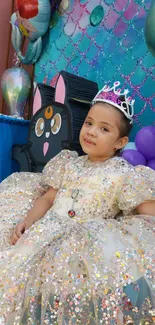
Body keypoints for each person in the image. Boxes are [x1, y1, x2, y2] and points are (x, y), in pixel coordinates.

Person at [0, 81, 155, 325]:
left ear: (120, 142)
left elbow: (146, 212)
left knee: (65, 297)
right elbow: (49, 198)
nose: (91, 132)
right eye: (89, 123)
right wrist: (28, 220)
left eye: (104, 129)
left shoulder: (124, 175)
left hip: (82, 249)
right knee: (16, 272)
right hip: (46, 232)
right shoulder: (68, 163)